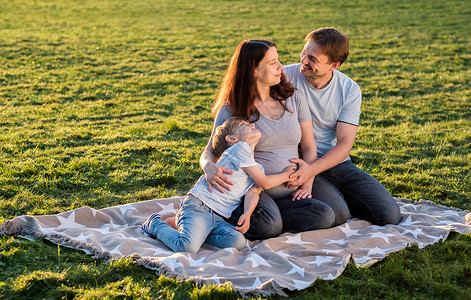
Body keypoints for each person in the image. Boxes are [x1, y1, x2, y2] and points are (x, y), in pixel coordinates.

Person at [200, 39, 335, 240]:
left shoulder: (293, 98)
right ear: (253, 70)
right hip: (253, 191)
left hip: (289, 189)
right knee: (269, 226)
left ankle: (270, 217)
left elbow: (308, 146)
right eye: (273, 63)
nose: (281, 67)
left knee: (325, 215)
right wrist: (208, 167)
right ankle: (233, 216)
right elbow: (210, 150)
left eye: (278, 60)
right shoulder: (233, 107)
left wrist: (307, 178)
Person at [283, 27, 402, 226]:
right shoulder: (285, 77)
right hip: (300, 161)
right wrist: (308, 170)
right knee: (338, 215)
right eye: (304, 52)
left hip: (337, 163)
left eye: (312, 58)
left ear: (334, 65)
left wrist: (312, 170)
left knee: (388, 215)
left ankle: (337, 196)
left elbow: (345, 143)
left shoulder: (349, 89)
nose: (303, 61)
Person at [141, 116, 295, 253]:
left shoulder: (257, 168)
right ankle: (155, 224)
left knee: (237, 241)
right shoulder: (239, 149)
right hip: (199, 206)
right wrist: (286, 175)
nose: (252, 125)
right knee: (187, 247)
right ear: (231, 138)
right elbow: (265, 183)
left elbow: (253, 192)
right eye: (244, 124)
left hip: (220, 217)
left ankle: (192, 231)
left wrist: (247, 214)